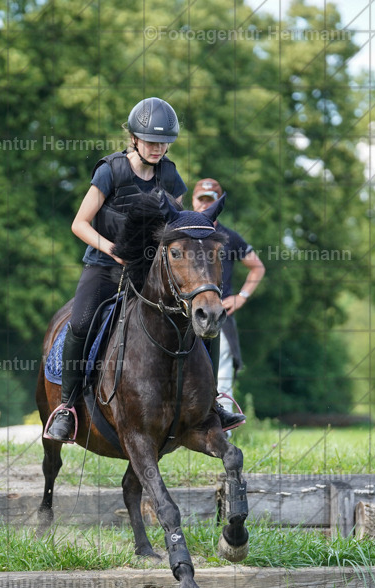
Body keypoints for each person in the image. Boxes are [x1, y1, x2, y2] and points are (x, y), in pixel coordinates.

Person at [44, 99, 245, 442]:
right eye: (152, 142)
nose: (158, 148)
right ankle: (67, 407)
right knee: (80, 323)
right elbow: (79, 223)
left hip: (150, 272)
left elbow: (179, 224)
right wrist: (112, 250)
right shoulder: (111, 171)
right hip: (105, 266)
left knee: (199, 323)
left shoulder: (169, 174)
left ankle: (211, 403)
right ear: (134, 138)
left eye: (164, 143)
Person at [191, 178, 265, 417]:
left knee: (221, 376)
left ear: (217, 205)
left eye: (209, 201)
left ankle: (223, 430)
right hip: (186, 314)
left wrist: (241, 296)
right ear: (193, 201)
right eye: (200, 199)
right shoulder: (182, 232)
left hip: (219, 314)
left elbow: (258, 267)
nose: (204, 205)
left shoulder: (229, 237)